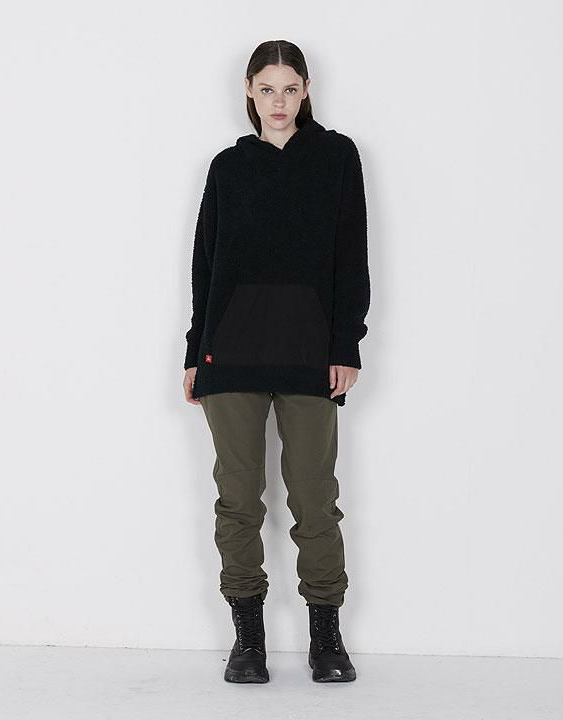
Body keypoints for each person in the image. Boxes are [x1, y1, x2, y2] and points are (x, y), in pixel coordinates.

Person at [182, 39, 371, 684]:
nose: (279, 101)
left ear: (307, 90)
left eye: (290, 89)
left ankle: (326, 639)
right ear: (249, 91)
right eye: (267, 89)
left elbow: (351, 257)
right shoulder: (227, 167)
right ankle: (248, 641)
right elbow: (205, 265)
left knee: (315, 499)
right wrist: (195, 353)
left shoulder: (337, 158)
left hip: (310, 355)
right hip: (230, 356)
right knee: (237, 501)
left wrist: (346, 345)